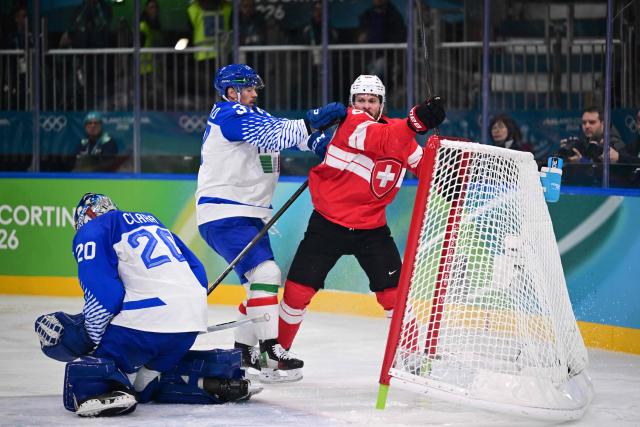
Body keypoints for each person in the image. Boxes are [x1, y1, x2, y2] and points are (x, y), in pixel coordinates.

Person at [34, 193, 260, 417]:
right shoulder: (152, 222)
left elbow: (106, 297)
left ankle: (110, 387)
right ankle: (212, 378)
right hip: (189, 325)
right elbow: (199, 273)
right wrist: (181, 307)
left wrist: (86, 337)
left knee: (89, 373)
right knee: (145, 386)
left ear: (85, 218)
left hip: (143, 327)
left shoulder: (92, 231)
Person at [276, 75, 445, 360]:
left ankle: (412, 354)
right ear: (352, 103)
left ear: (382, 104)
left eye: (372, 101)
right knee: (296, 292)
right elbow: (380, 139)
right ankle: (277, 351)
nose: (366, 106)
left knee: (394, 295)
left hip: (372, 229)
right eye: (360, 100)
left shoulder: (399, 133)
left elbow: (426, 168)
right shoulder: (351, 123)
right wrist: (417, 122)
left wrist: (448, 167)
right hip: (328, 224)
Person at [196, 63, 345, 383]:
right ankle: (269, 349)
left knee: (257, 284)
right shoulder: (228, 115)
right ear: (230, 91)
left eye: (253, 88)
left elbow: (281, 134)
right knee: (266, 273)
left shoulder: (253, 115)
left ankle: (245, 352)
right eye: (247, 88)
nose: (253, 93)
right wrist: (312, 121)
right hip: (224, 213)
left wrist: (322, 143)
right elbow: (274, 133)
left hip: (248, 214)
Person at [561, 106, 625, 164]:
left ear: (603, 124)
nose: (587, 126)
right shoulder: (585, 142)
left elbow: (606, 172)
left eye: (592, 122)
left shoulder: (615, 144)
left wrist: (581, 161)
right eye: (584, 123)